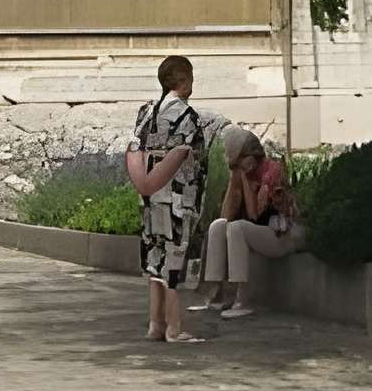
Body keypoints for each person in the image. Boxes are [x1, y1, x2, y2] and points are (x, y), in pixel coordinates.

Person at [127, 53, 211, 343]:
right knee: (174, 261)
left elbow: (135, 147)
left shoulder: (145, 112)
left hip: (150, 197)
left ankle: (155, 324)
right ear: (184, 81)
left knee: (154, 258)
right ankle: (174, 327)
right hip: (176, 198)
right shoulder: (188, 117)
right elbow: (195, 162)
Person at [199, 123, 306, 317]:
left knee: (237, 228)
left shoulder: (271, 171)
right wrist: (234, 182)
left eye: (242, 161)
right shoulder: (244, 174)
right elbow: (226, 215)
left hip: (281, 235)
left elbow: (255, 214)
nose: (241, 166)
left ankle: (243, 298)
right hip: (261, 233)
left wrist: (244, 182)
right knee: (218, 226)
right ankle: (216, 292)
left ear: (253, 154)